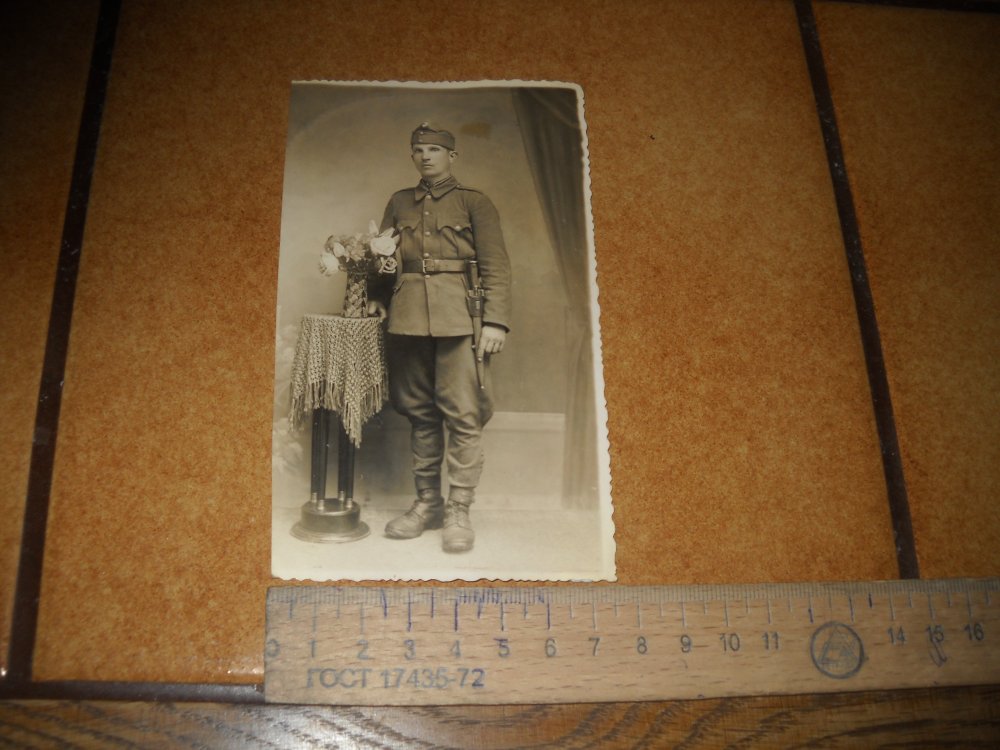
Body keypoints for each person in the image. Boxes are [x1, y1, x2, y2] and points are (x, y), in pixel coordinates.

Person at [367, 122, 511, 553]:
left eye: (433, 149)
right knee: (419, 411)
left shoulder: (473, 202)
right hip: (408, 318)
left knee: (464, 414)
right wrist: (378, 297)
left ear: (452, 156)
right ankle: (427, 504)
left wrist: (495, 322)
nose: (425, 156)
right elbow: (383, 256)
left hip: (460, 320)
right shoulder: (399, 201)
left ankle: (458, 510)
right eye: (418, 150)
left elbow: (496, 266)